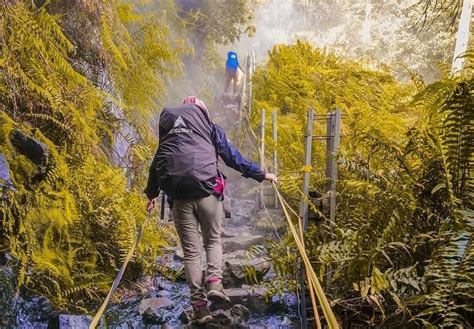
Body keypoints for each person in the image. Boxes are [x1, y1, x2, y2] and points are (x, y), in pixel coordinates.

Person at [145, 96, 277, 324]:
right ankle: (215, 283)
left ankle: (200, 310)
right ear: (203, 113)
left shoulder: (169, 135)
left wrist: (151, 195)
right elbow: (231, 157)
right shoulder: (209, 128)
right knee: (213, 241)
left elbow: (156, 166)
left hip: (179, 198)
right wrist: (261, 175)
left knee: (191, 252)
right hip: (208, 194)